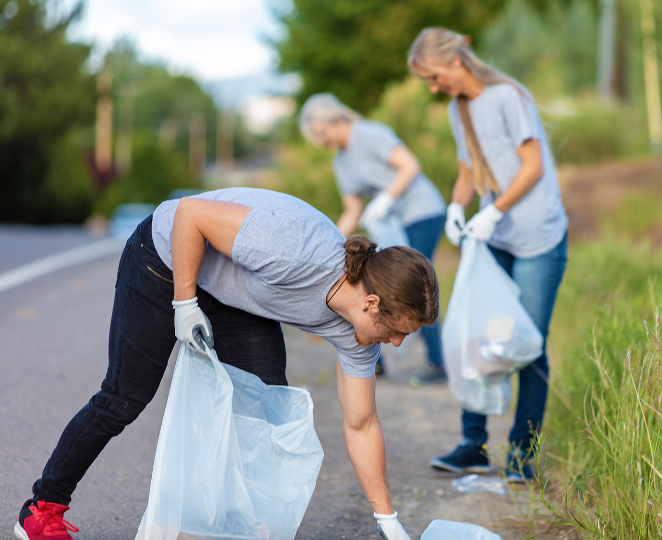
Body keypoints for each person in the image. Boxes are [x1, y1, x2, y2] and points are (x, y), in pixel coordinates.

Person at [15, 187, 439, 540]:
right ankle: (41, 509)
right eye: (398, 331)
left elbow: (361, 425)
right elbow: (189, 214)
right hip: (166, 256)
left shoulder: (360, 337)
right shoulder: (294, 249)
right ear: (371, 303)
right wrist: (184, 304)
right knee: (123, 397)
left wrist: (389, 521)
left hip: (236, 292)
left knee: (263, 402)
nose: (397, 344)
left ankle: (231, 518)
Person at [407, 28, 568, 481]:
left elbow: (532, 167)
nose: (434, 87)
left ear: (455, 61)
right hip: (495, 239)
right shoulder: (460, 110)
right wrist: (458, 206)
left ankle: (521, 454)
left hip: (538, 236)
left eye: (434, 77)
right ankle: (473, 444)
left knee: (528, 345)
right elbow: (468, 169)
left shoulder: (507, 97)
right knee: (479, 336)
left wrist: (494, 210)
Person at [300, 94, 447, 384]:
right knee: (373, 284)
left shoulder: (368, 134)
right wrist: (332, 243)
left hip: (421, 211)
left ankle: (437, 363)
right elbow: (352, 208)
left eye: (321, 132)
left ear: (336, 118)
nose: (321, 140)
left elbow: (410, 166)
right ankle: (374, 361)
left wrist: (386, 199)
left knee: (415, 287)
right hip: (390, 220)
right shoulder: (341, 162)